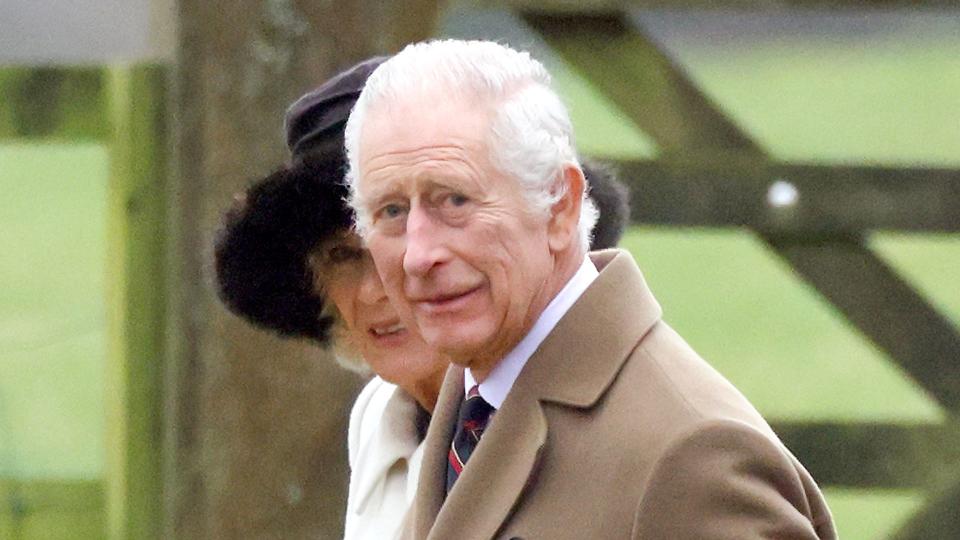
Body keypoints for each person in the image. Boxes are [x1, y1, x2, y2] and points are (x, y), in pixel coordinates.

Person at [343, 40, 837, 539]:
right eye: (391, 212)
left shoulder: (693, 455)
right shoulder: (469, 397)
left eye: (454, 200)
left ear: (560, 207)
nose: (418, 254)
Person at [213, 57, 631, 540]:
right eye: (343, 256)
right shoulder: (380, 417)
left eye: (419, 239)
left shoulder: (599, 433)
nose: (378, 288)